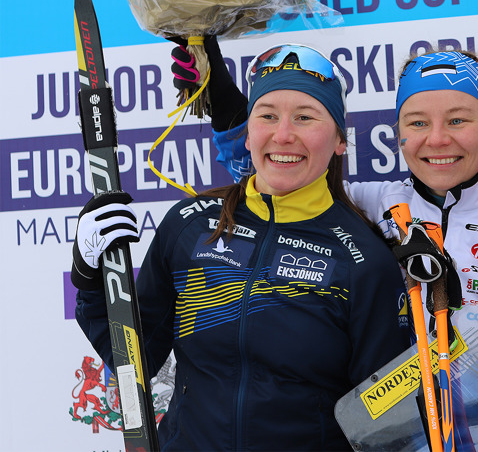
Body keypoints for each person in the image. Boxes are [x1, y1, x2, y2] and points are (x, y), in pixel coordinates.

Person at [175, 42, 478, 451]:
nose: (437, 139)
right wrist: (227, 104)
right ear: (399, 134)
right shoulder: (372, 208)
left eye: (458, 120)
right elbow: (279, 178)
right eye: (417, 122)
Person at [72, 44, 411, 451]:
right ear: (248, 133)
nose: (283, 134)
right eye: (266, 115)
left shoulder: (362, 258)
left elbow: (388, 425)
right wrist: (90, 277)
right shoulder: (192, 224)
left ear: (340, 139)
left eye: (305, 117)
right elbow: (133, 358)